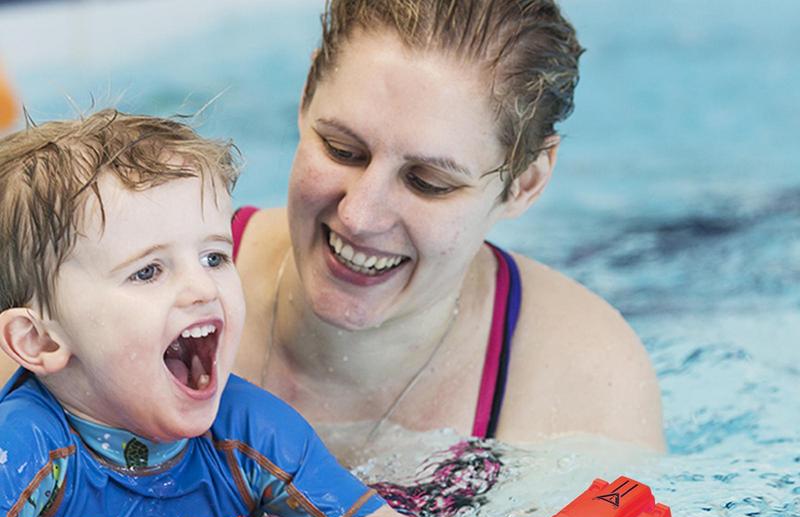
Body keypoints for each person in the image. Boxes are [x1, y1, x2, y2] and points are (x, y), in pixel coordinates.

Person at [229, 0, 666, 463]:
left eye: (428, 183)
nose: (360, 215)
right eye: (342, 150)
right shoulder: (158, 278)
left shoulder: (583, 383)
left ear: (524, 183)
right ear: (305, 97)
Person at [0, 110, 406, 517]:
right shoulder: (24, 443)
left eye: (214, 257)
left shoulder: (251, 433)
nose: (203, 289)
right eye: (148, 271)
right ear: (41, 340)